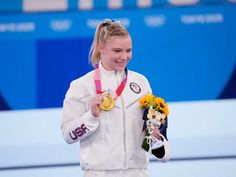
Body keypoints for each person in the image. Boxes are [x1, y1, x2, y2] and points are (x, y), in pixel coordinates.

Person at [61, 19, 170, 177]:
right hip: (99, 173)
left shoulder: (141, 82)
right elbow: (68, 136)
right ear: (101, 49)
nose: (124, 57)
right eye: (117, 51)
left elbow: (151, 134)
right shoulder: (82, 85)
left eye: (128, 50)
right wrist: (91, 116)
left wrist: (156, 135)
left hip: (138, 172)